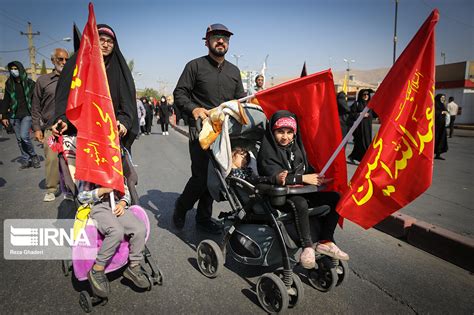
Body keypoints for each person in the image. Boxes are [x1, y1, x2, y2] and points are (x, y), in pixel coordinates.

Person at [172, 23, 246, 234]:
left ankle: (203, 219)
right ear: (207, 42)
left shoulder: (234, 71)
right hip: (201, 131)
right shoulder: (194, 66)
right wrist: (194, 108)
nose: (221, 40)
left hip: (226, 134)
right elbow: (180, 94)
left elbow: (240, 99)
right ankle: (181, 206)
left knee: (216, 178)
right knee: (200, 178)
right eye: (216, 37)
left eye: (225, 38)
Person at [257, 110, 349, 268]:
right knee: (300, 203)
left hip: (301, 191)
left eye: (289, 132)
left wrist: (317, 177)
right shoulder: (267, 151)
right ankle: (307, 247)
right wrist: (300, 179)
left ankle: (326, 240)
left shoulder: (296, 148)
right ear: (273, 132)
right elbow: (274, 176)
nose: (285, 137)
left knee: (336, 197)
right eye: (280, 132)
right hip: (279, 197)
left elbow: (305, 169)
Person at [53, 24, 138, 153]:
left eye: (110, 41)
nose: (105, 45)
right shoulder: (77, 64)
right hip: (79, 134)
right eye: (101, 40)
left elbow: (127, 103)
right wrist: (63, 120)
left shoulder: (119, 70)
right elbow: (64, 98)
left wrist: (123, 122)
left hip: (110, 136)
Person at [76, 178, 148, 297]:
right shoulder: (89, 172)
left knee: (139, 228)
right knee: (116, 231)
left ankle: (134, 266)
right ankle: (97, 269)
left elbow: (126, 193)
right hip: (98, 207)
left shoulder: (116, 170)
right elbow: (82, 197)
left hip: (117, 205)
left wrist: (122, 203)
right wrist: (102, 190)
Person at [31, 48, 69, 202]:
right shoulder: (43, 81)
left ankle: (71, 189)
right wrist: (37, 128)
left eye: (66, 59)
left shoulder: (74, 79)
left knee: (70, 160)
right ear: (53, 60)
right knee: (52, 159)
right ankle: (52, 188)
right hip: (50, 129)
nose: (64, 62)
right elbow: (35, 107)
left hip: (70, 128)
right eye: (60, 59)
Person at [1, 61, 40, 169]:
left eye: (16, 68)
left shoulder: (30, 83)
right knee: (19, 140)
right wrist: (4, 116)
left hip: (27, 114)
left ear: (21, 69)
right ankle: (26, 159)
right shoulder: (9, 83)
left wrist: (37, 113)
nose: (14, 71)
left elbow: (36, 99)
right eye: (12, 69)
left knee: (24, 137)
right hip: (14, 115)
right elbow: (6, 99)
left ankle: (34, 155)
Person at [348, 89, 373, 165]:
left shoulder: (370, 104)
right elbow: (351, 115)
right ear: (361, 95)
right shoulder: (357, 104)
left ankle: (353, 157)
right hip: (360, 128)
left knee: (367, 142)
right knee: (361, 143)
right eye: (364, 95)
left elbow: (374, 114)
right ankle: (365, 160)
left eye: (367, 95)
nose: (366, 96)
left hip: (368, 128)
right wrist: (360, 114)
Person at [434, 94, 449, 160]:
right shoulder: (434, 104)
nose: (443, 99)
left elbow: (446, 112)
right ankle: (431, 154)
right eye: (442, 98)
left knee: (441, 139)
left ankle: (438, 154)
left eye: (444, 98)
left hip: (442, 126)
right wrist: (442, 112)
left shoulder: (443, 105)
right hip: (436, 126)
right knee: (435, 139)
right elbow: (433, 113)